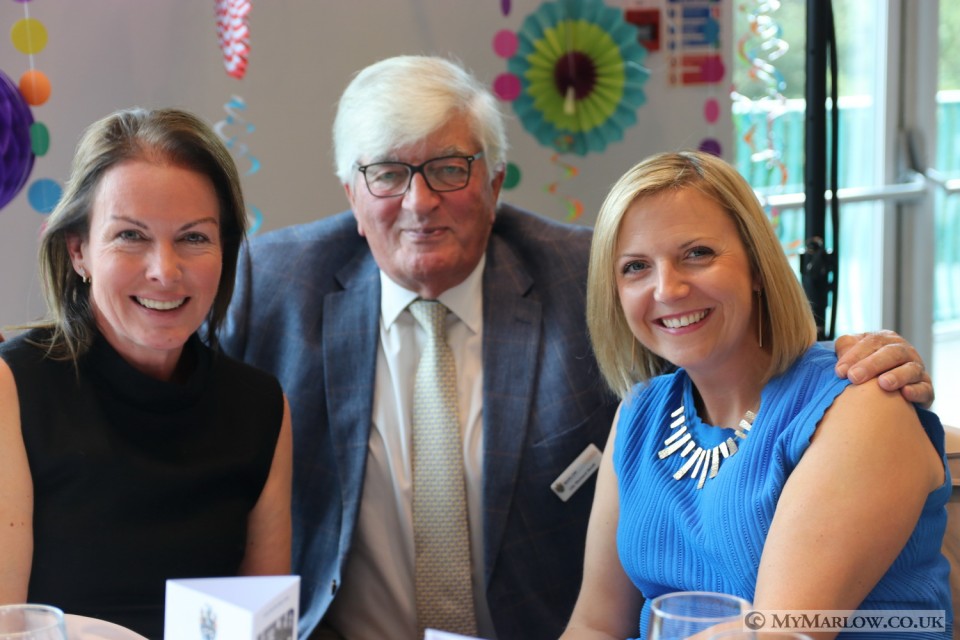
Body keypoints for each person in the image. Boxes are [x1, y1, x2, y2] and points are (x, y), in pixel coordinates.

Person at [218, 55, 935, 640]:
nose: (419, 201)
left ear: (495, 184)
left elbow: (783, 627)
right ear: (351, 192)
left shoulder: (575, 278)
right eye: (387, 173)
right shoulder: (268, 283)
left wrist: (871, 359)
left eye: (449, 168)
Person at [561, 151, 952, 640]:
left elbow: (779, 633)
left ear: (758, 266)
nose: (668, 289)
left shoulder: (861, 405)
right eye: (636, 266)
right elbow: (594, 626)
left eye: (697, 254)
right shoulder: (639, 414)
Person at [0, 107, 294, 639]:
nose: (165, 270)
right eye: (131, 236)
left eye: (194, 238)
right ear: (79, 251)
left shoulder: (261, 405)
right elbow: (6, 624)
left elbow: (264, 628)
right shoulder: (12, 388)